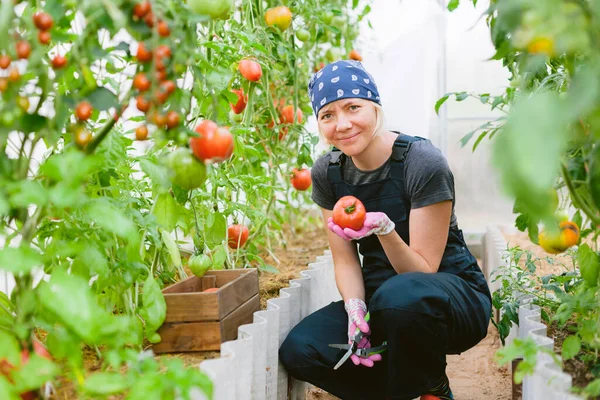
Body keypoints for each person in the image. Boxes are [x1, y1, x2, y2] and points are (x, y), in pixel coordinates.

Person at [278, 60, 492, 400]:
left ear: (375, 107)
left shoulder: (421, 162)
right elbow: (346, 261)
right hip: (384, 300)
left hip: (450, 298)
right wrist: (355, 310)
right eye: (328, 115)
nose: (343, 124)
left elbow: (424, 269)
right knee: (301, 350)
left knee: (400, 296)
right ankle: (418, 385)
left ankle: (427, 384)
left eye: (353, 107)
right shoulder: (328, 173)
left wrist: (386, 230)